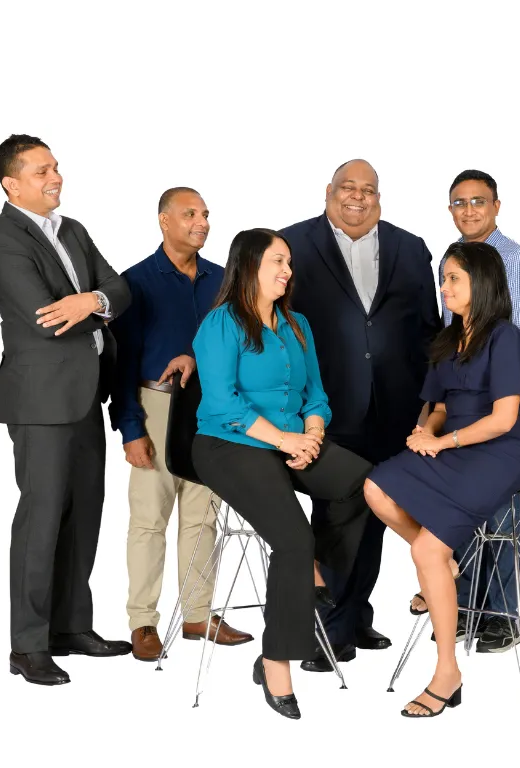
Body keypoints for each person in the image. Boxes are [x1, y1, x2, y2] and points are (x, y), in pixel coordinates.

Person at [190, 228, 373, 720]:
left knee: (362, 485)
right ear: (248, 265)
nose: (287, 271)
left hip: (294, 439)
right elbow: (223, 403)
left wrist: (312, 431)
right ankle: (276, 661)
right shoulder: (221, 324)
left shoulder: (297, 324)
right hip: (230, 445)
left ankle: (312, 576)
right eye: (277, 261)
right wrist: (284, 440)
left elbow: (316, 392)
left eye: (288, 262)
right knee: (293, 541)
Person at [0, 134, 133, 686]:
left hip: (88, 394)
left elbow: (120, 289)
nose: (56, 177)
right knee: (41, 519)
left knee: (85, 512)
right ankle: (28, 644)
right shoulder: (2, 240)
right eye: (43, 170)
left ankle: (71, 627)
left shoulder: (73, 231)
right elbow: (46, 318)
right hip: (41, 401)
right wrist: (93, 307)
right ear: (11, 183)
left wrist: (91, 300)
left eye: (57, 167)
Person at [365, 241, 520, 717]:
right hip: (456, 443)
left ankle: (447, 673)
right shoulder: (448, 339)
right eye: (443, 279)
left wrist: (442, 444)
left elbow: (504, 420)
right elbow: (438, 407)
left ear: (479, 283)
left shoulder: (506, 338)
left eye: (453, 279)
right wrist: (426, 431)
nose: (443, 288)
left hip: (501, 451)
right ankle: (451, 566)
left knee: (426, 550)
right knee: (376, 486)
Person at [281, 159, 442, 671]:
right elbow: (272, 321)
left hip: (396, 408)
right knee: (337, 514)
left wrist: (430, 405)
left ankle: (356, 614)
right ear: (329, 192)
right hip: (325, 407)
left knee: (376, 512)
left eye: (367, 190)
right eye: (347, 188)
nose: (357, 197)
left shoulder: (410, 248)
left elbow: (427, 330)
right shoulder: (293, 245)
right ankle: (329, 632)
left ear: (380, 197)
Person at [109, 187, 251, 661]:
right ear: (163, 221)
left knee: (204, 514)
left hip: (212, 408)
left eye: (206, 214)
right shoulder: (136, 282)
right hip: (157, 405)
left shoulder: (224, 280)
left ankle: (198, 614)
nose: (202, 222)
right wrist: (131, 429)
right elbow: (122, 364)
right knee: (149, 520)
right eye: (190, 214)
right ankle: (143, 622)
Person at [408, 169, 520, 653]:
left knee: (497, 499)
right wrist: (429, 426)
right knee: (432, 485)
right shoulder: (452, 261)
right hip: (460, 405)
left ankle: (500, 613)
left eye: (478, 201)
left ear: (497, 206)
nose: (468, 210)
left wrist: (472, 413)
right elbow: (450, 347)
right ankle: (460, 598)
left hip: (501, 406)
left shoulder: (516, 263)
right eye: (459, 202)